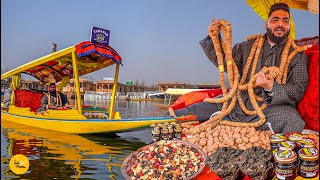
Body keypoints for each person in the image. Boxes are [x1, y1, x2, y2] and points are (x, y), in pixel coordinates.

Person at [168, 3, 308, 133]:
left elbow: (298, 89)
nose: (280, 24)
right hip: (237, 101)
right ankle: (164, 120)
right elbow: (227, 63)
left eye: (285, 21)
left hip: (271, 108)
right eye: (275, 20)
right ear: (266, 24)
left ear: (289, 25)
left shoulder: (297, 54)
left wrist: (270, 86)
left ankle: (225, 122)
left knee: (292, 120)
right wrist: (213, 39)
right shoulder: (246, 46)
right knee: (190, 111)